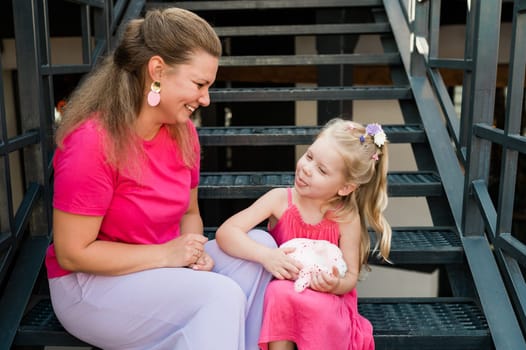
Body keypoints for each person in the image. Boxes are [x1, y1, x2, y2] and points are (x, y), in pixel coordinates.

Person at [45, 7, 274, 350]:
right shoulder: (92, 142)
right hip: (88, 285)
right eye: (199, 84)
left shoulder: (184, 135)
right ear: (157, 70)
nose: (206, 98)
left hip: (162, 268)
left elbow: (189, 214)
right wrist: (167, 256)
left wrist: (193, 251)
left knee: (260, 250)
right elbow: (73, 253)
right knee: (218, 296)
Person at [216, 118, 392, 350]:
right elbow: (227, 232)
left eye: (321, 170)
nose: (306, 169)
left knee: (321, 308)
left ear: (345, 188)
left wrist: (333, 285)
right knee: (278, 292)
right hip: (286, 288)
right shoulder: (280, 200)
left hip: (326, 297)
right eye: (309, 156)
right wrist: (266, 256)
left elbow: (350, 276)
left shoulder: (345, 217)